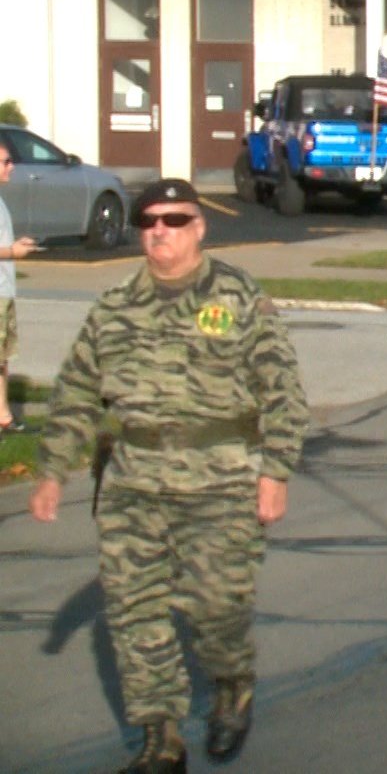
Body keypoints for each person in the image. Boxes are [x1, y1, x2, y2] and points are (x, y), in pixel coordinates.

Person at [29, 179, 309, 773]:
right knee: (134, 612)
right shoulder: (113, 307)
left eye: (175, 219)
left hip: (221, 483)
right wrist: (53, 469)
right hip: (133, 482)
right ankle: (162, 739)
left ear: (199, 227)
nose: (160, 230)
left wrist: (276, 471)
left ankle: (232, 685)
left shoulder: (236, 296)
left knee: (216, 608)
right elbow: (77, 390)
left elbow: (282, 390)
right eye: (149, 220)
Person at [0, 138, 38, 434]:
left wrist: (15, 246)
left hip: (5, 291)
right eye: (5, 162)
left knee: (3, 358)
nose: (10, 167)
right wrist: (12, 252)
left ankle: (4, 416)